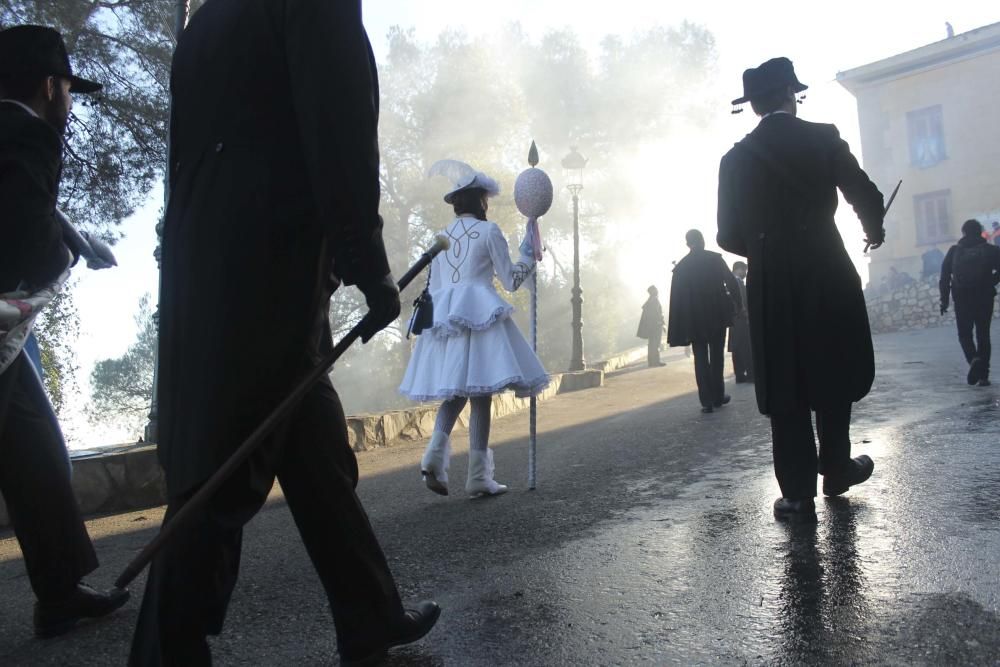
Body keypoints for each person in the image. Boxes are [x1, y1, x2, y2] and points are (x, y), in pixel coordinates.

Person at [129, 2, 439, 664]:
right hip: (268, 265)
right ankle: (162, 653)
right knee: (222, 472)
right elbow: (338, 125)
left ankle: (370, 612)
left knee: (311, 446)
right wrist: (368, 265)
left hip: (204, 265)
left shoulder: (207, 21)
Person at [0, 24, 130, 639]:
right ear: (52, 86)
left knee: (34, 448)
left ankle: (59, 591)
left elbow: (20, 203)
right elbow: (24, 242)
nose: (70, 103)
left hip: (7, 339)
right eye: (69, 90)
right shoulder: (29, 134)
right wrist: (66, 253)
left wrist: (76, 233)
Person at [717, 57, 885, 522]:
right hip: (827, 270)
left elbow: (728, 234)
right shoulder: (824, 136)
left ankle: (796, 494)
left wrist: (768, 249)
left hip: (771, 282)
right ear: (793, 95)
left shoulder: (734, 160)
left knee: (786, 383)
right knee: (833, 369)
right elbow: (864, 194)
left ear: (753, 107)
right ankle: (835, 468)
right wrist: (874, 229)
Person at [400, 160, 548, 498]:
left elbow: (437, 287)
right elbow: (510, 280)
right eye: (485, 198)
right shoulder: (489, 231)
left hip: (446, 320)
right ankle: (478, 476)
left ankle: (435, 460)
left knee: (456, 392)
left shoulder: (439, 238)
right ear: (478, 200)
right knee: (480, 394)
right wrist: (528, 253)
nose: (487, 203)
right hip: (480, 314)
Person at [666, 229, 741, 413]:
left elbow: (677, 300)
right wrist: (738, 305)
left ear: (687, 244)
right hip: (717, 314)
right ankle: (718, 396)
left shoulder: (681, 267)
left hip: (694, 319)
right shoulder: (714, 259)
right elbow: (731, 281)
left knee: (700, 358)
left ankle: (706, 400)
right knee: (717, 356)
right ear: (703, 241)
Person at [939, 219, 1000, 387]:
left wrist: (944, 300)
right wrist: (991, 282)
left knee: (965, 335)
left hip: (962, 298)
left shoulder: (954, 251)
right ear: (980, 232)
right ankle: (983, 376)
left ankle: (974, 360)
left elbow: (944, 277)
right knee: (983, 334)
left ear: (963, 232)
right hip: (984, 297)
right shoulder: (991, 250)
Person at [728, 261, 753, 383]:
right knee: (746, 347)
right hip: (741, 319)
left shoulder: (729, 281)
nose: (745, 273)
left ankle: (739, 375)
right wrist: (746, 314)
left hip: (734, 321)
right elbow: (740, 300)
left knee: (737, 348)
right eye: (745, 271)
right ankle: (750, 374)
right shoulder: (736, 282)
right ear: (739, 269)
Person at [637, 285, 666, 367]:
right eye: (656, 290)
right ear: (654, 291)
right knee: (655, 344)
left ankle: (651, 362)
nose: (657, 291)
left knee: (651, 344)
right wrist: (662, 324)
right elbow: (658, 314)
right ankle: (656, 362)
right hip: (656, 326)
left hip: (651, 327)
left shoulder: (649, 301)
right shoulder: (655, 300)